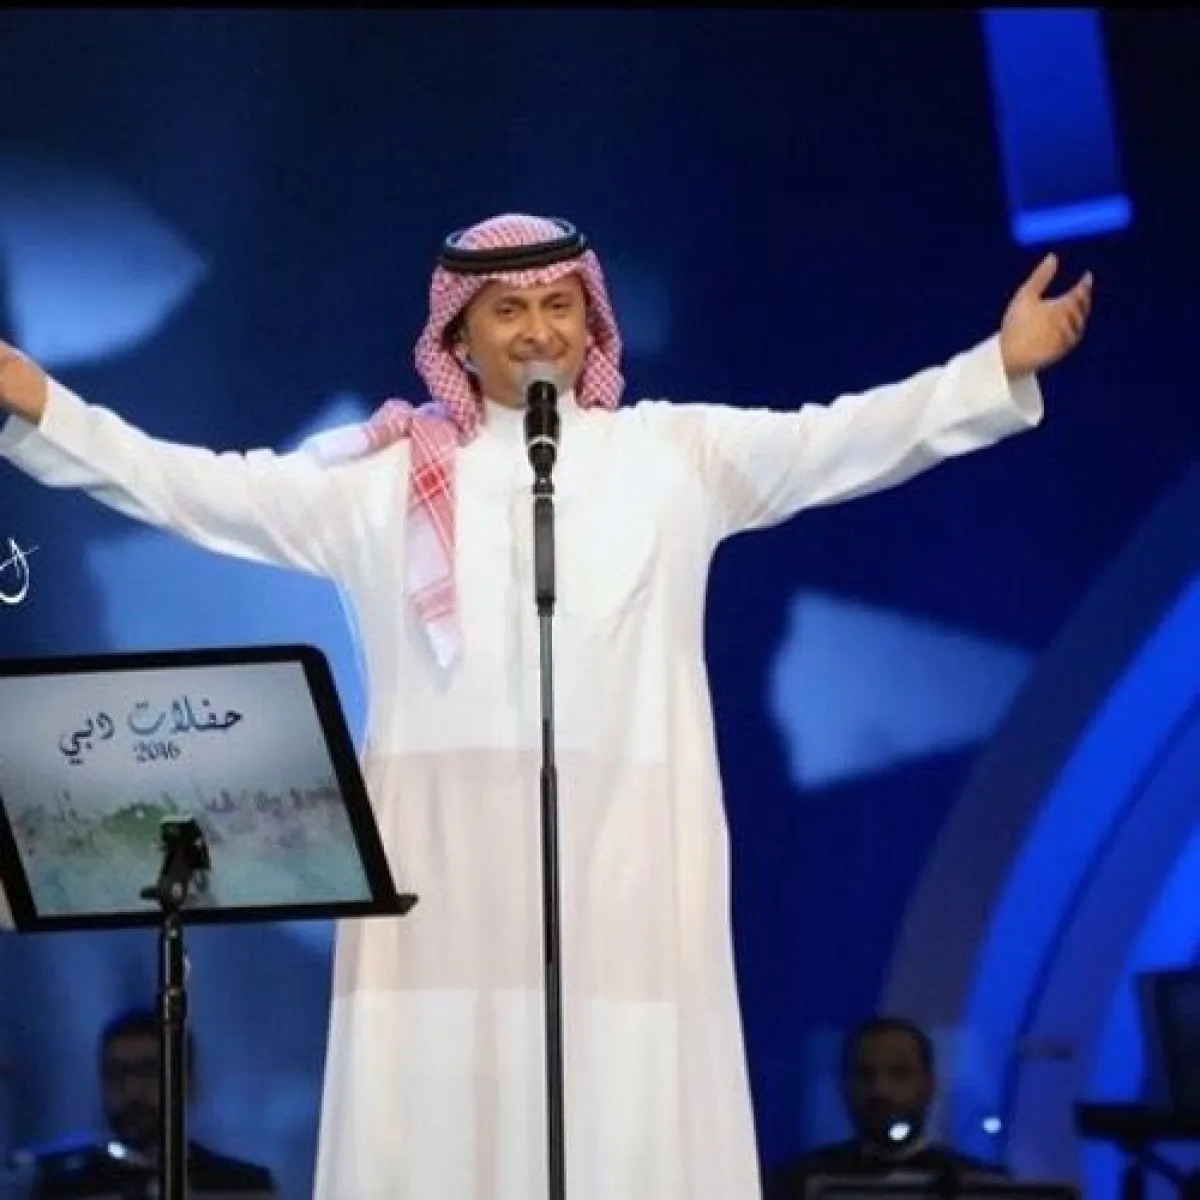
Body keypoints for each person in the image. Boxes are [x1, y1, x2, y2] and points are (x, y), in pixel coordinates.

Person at [0, 212, 1093, 1200]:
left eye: (559, 306)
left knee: (629, 1107)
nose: (537, 332)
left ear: (591, 322)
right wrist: (45, 406)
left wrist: (994, 367)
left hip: (627, 862)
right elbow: (197, 486)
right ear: (459, 336)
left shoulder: (675, 456)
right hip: (441, 876)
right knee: (445, 1120)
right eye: (508, 310)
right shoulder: (377, 482)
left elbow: (838, 439)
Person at [31, 1006, 277, 1198]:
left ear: (187, 1082)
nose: (132, 1091)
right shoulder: (64, 1190)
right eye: (116, 1074)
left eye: (150, 1072)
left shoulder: (242, 1188)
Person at [764, 1017, 1007, 1199]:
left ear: (929, 1085)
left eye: (899, 1074)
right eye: (865, 1075)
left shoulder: (982, 1186)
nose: (881, 1090)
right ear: (844, 1086)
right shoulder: (798, 1183)